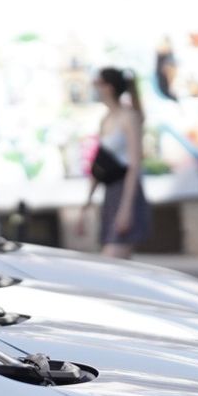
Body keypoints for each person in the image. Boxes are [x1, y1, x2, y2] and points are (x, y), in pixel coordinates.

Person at [77, 67, 149, 258]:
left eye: (98, 83)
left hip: (126, 190)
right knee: (122, 265)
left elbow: (134, 165)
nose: (94, 88)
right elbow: (100, 165)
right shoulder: (106, 119)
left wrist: (126, 207)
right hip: (110, 192)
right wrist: (87, 202)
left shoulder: (129, 117)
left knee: (113, 256)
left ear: (109, 87)